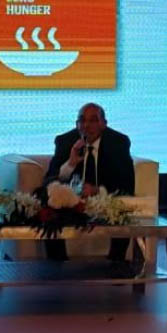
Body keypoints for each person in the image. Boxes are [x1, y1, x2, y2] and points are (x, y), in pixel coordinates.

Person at [44, 102, 135, 262]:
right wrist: (71, 163)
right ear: (76, 124)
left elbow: (126, 184)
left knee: (122, 208)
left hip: (105, 199)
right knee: (48, 211)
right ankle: (57, 265)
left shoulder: (118, 143)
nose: (86, 125)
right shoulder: (65, 141)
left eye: (93, 120)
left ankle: (116, 264)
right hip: (72, 203)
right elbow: (50, 179)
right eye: (82, 120)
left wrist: (96, 190)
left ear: (103, 124)